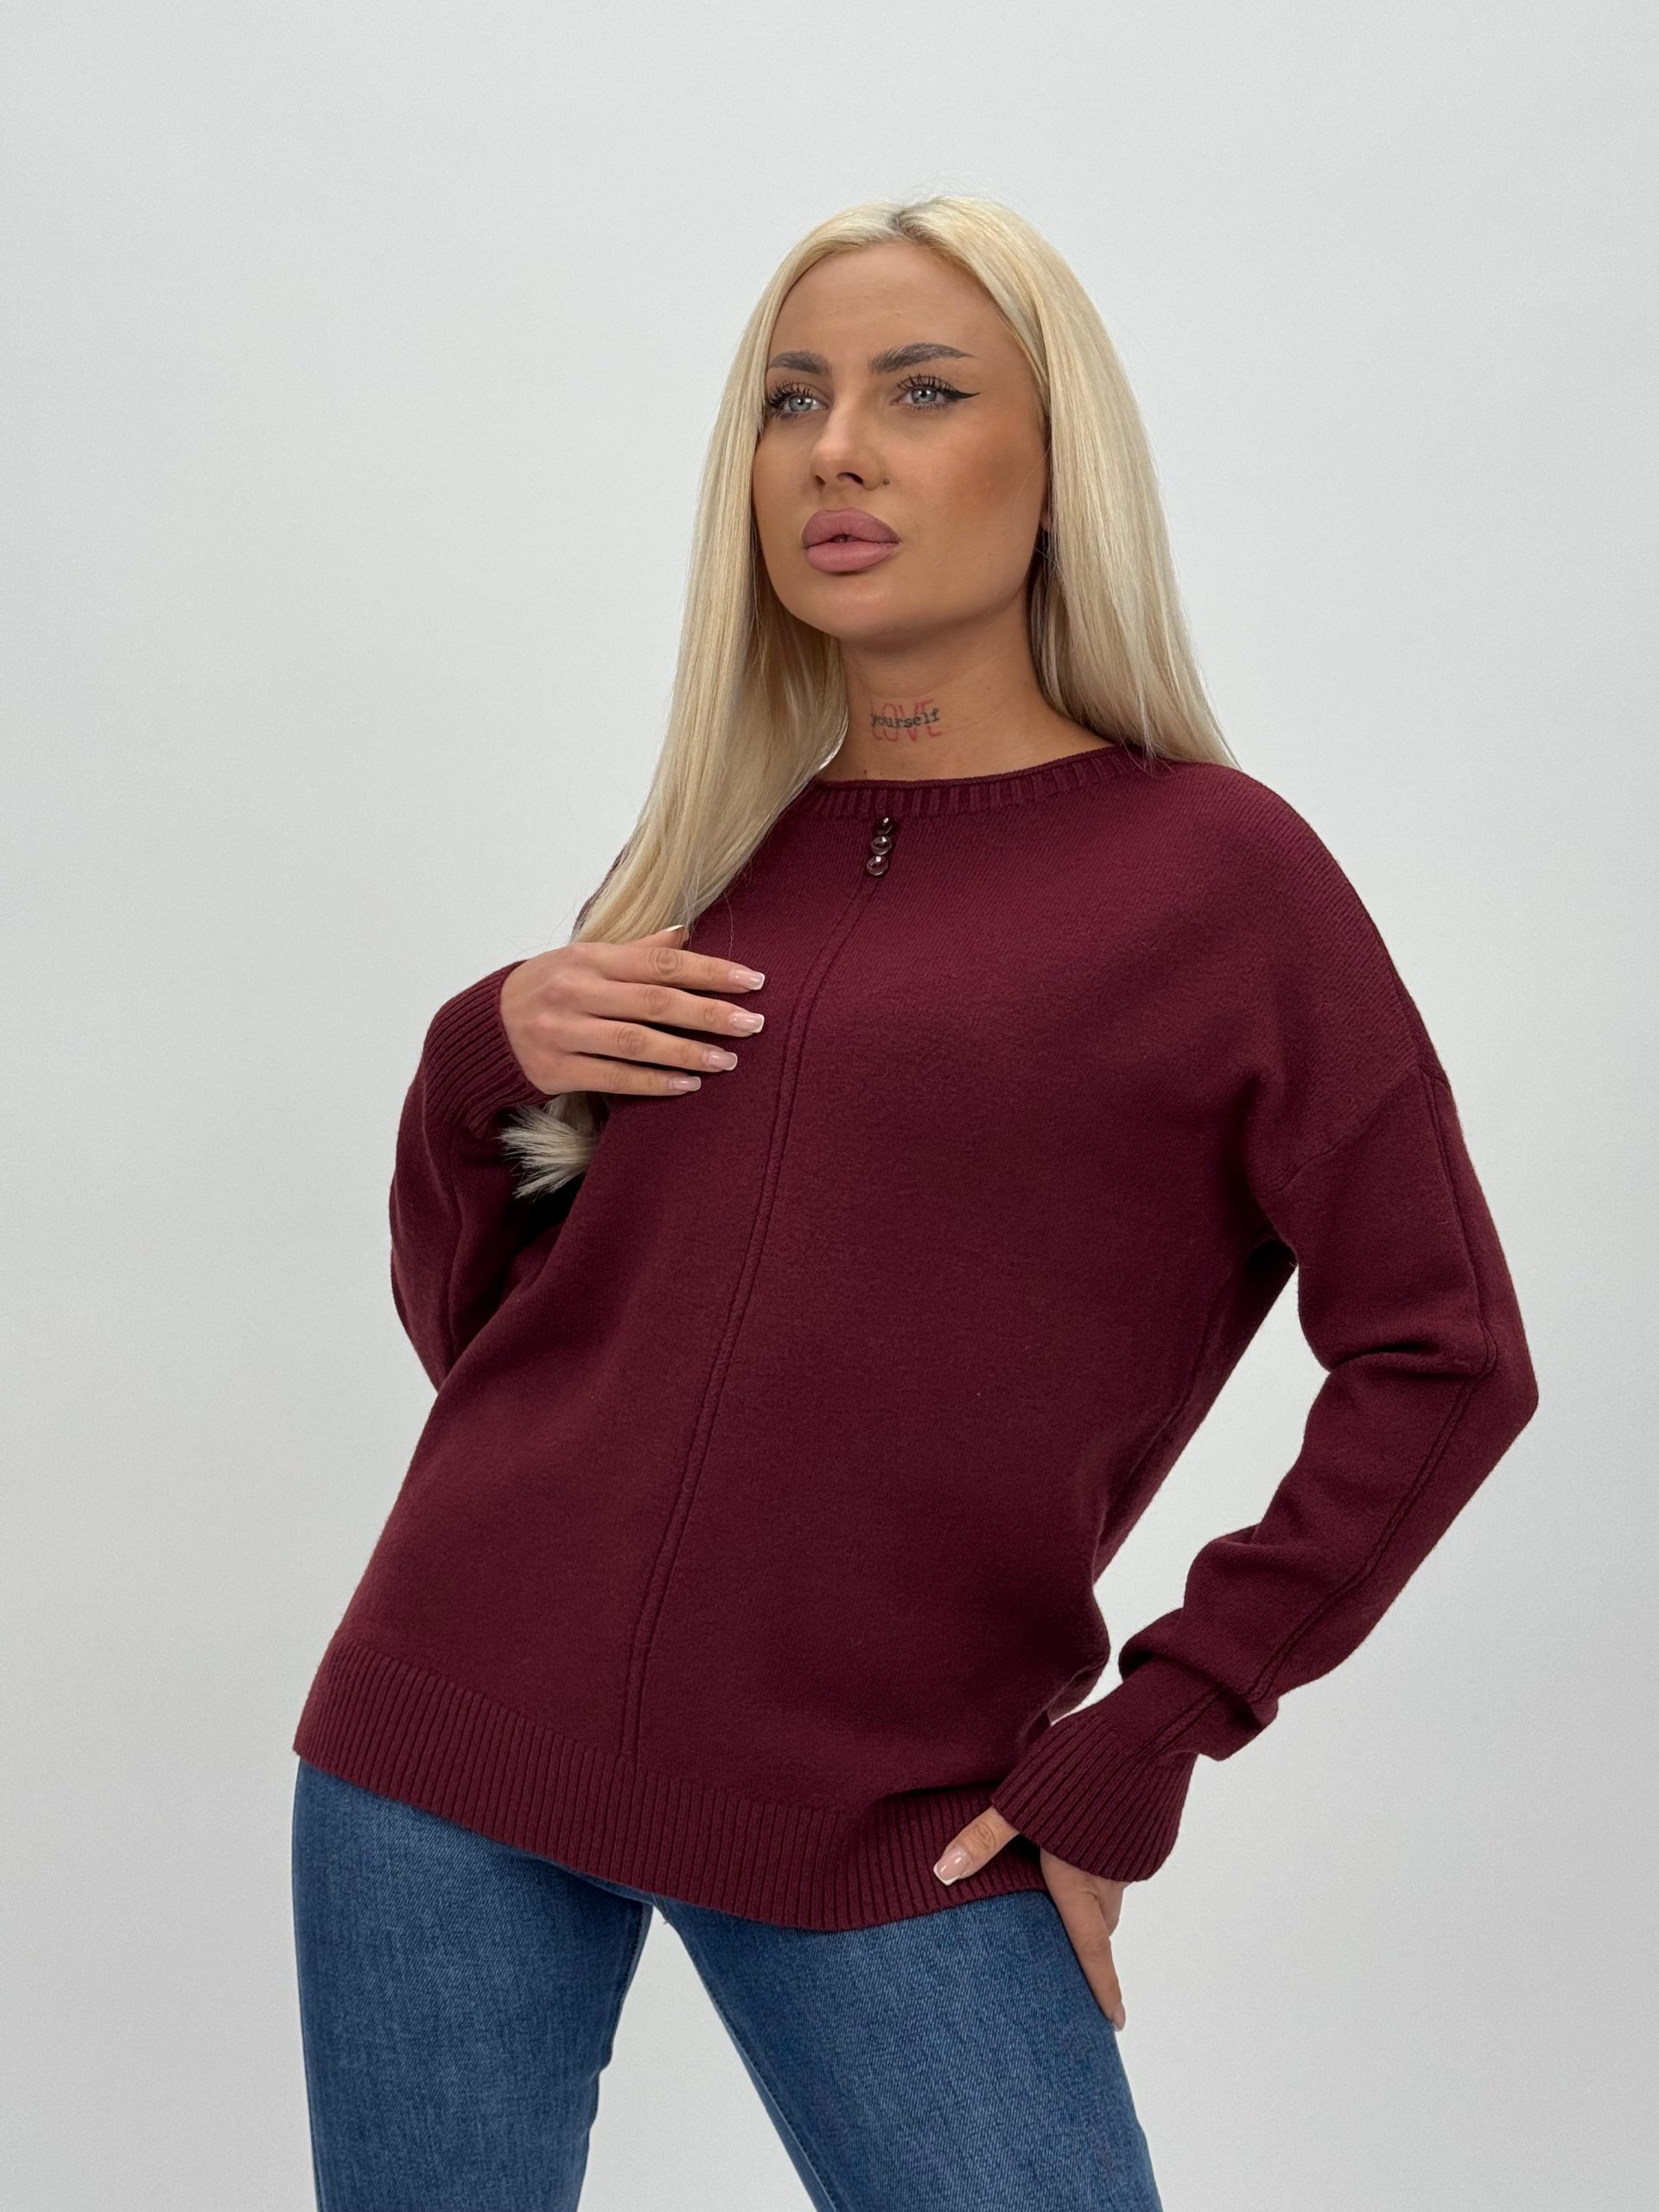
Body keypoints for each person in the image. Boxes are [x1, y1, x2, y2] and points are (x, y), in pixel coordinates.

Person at [289, 194, 1538, 2211]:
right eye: (792, 401)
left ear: (1058, 469)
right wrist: (481, 1056)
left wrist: (1161, 1722)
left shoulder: (1223, 880)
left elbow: (1445, 1353)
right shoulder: (706, 856)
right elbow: (511, 1361)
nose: (837, 450)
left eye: (922, 392)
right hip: (451, 1727)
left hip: (889, 1809)